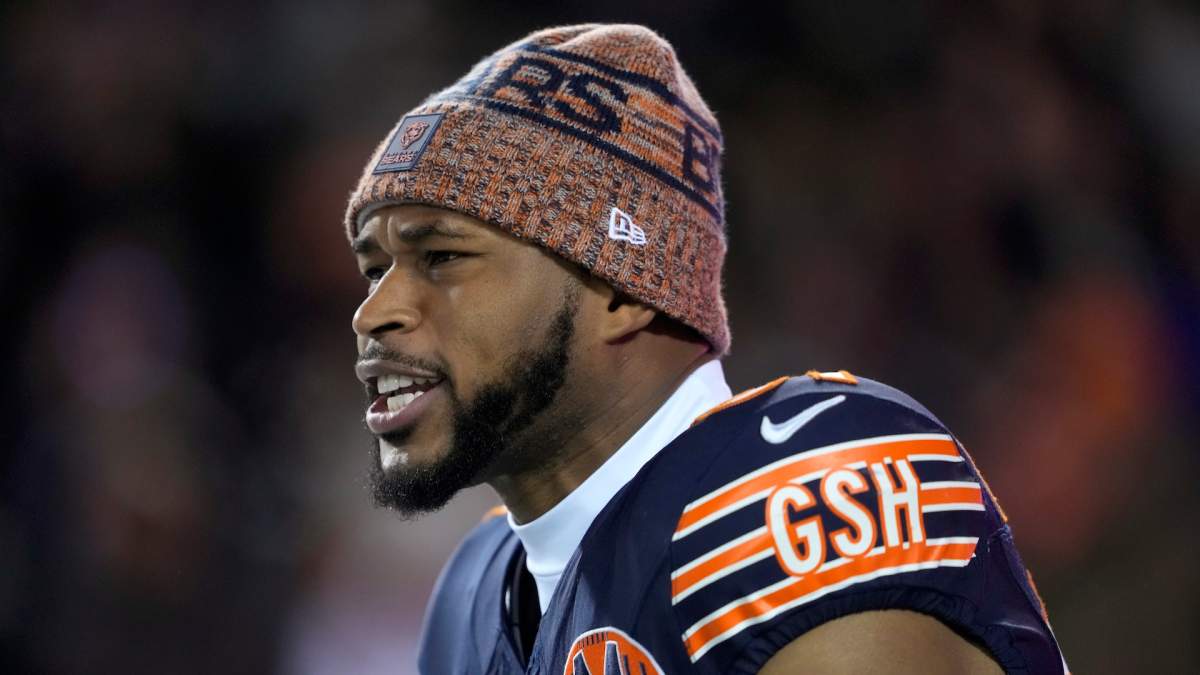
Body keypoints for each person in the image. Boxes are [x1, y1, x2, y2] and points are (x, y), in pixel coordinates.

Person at [344, 24, 1067, 674]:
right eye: (376, 269)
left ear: (620, 289)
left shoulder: (797, 495)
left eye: (441, 257)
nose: (373, 312)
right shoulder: (473, 595)